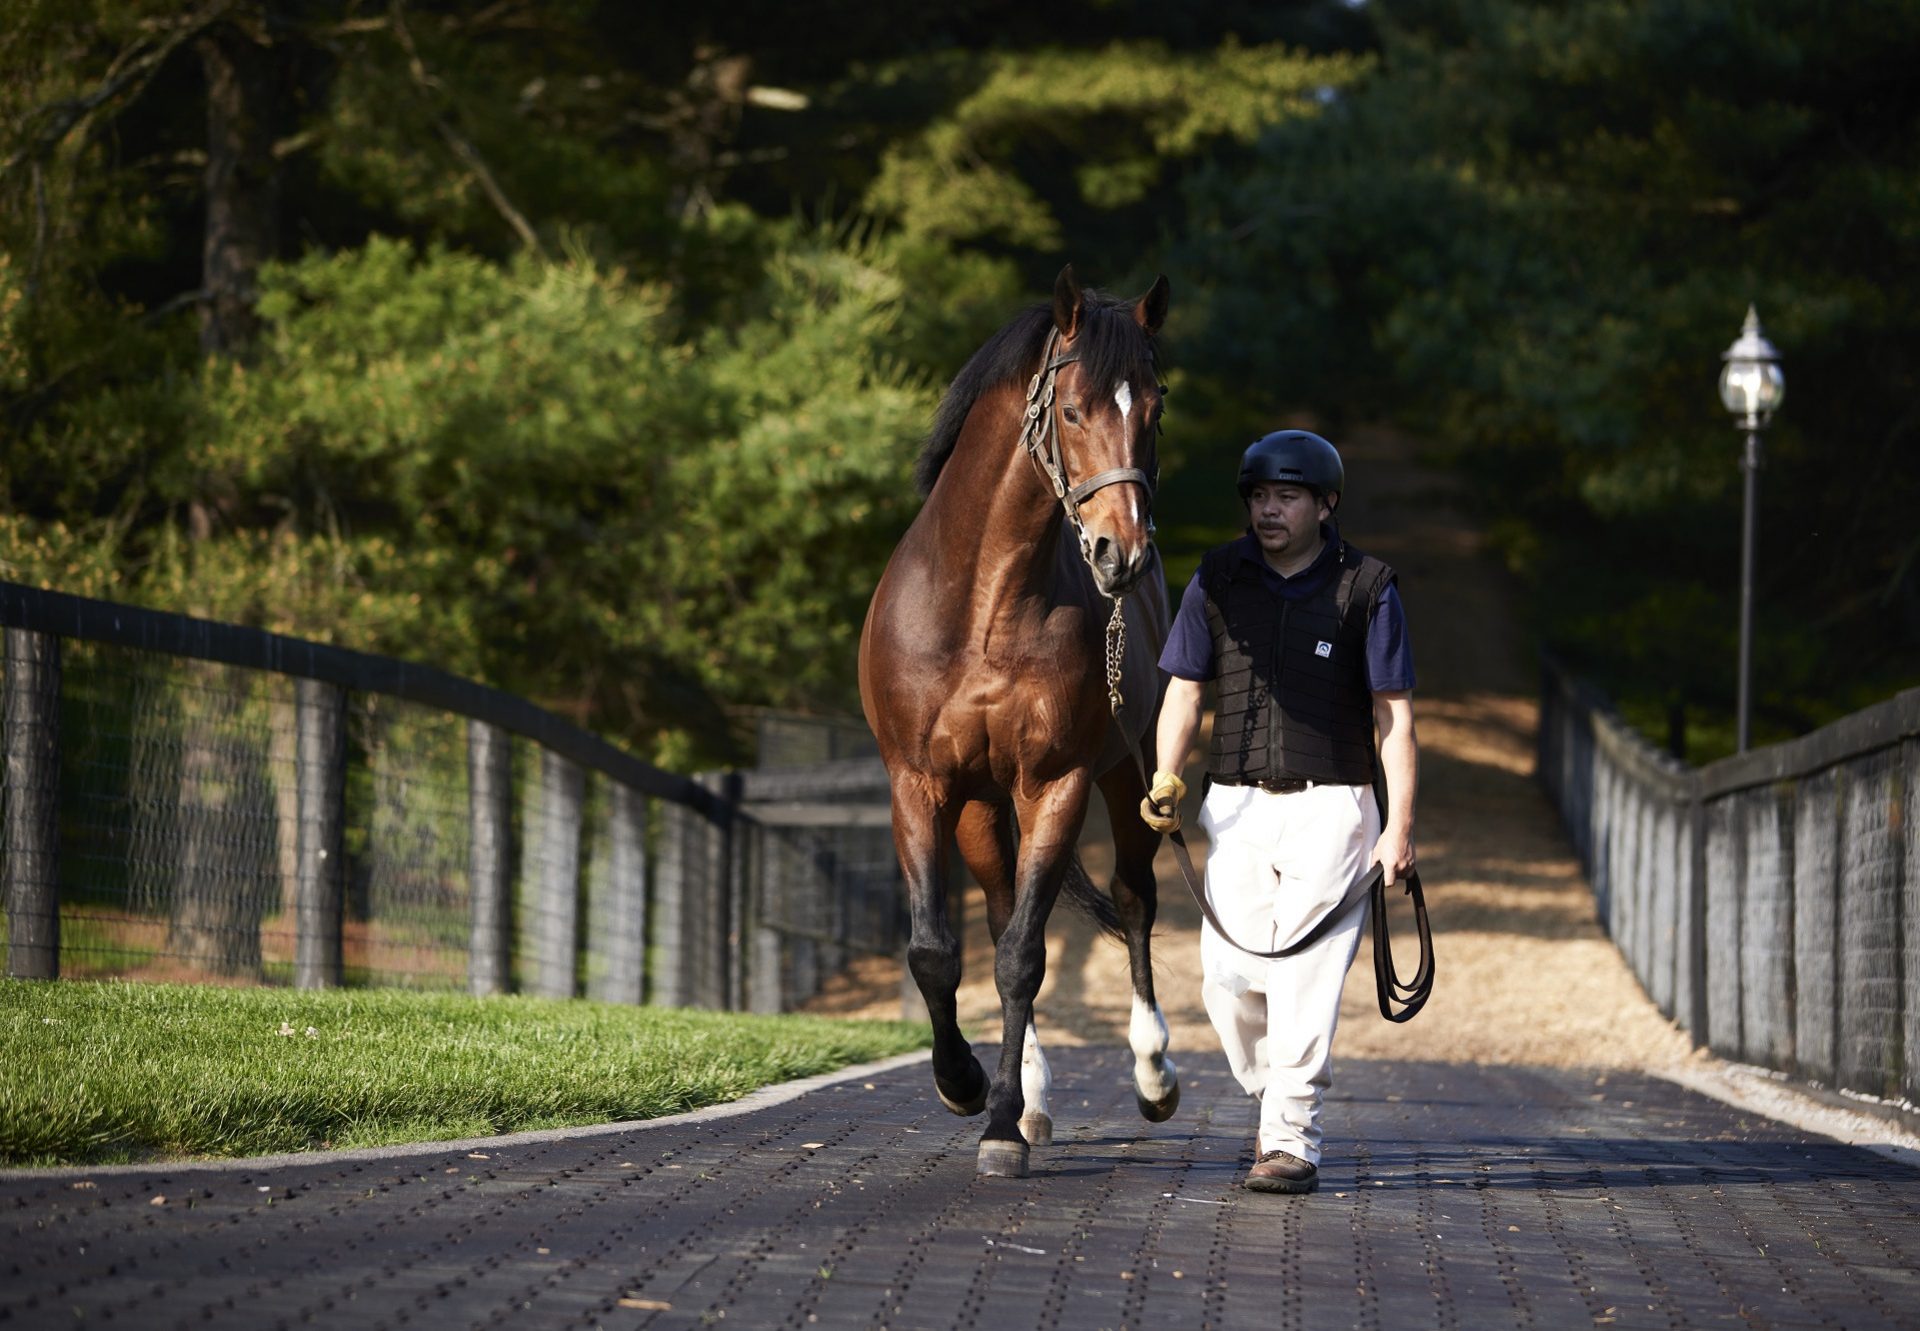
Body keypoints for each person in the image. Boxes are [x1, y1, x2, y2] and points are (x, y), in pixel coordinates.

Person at [1141, 429, 1417, 1195]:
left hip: (1334, 806)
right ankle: (1274, 1095)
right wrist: (1166, 775)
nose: (1269, 509)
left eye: (1286, 496)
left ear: (1324, 504)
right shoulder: (1219, 577)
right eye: (1259, 495)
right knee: (1228, 980)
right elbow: (1185, 690)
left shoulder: (1367, 587)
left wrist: (1399, 826)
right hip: (1232, 803)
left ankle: (1291, 1134)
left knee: (1304, 973)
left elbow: (1393, 713)